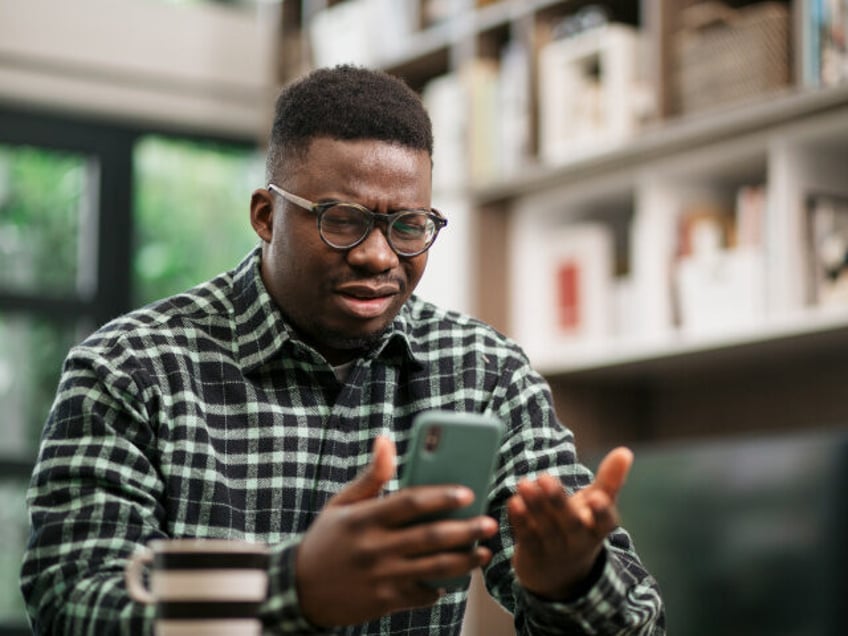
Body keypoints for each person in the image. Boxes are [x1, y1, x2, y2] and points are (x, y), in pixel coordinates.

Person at [21, 64, 665, 635]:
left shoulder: (487, 376)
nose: (378, 256)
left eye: (408, 225)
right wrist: (292, 587)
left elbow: (638, 623)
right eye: (342, 219)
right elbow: (72, 599)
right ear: (266, 215)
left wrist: (571, 584)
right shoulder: (129, 370)